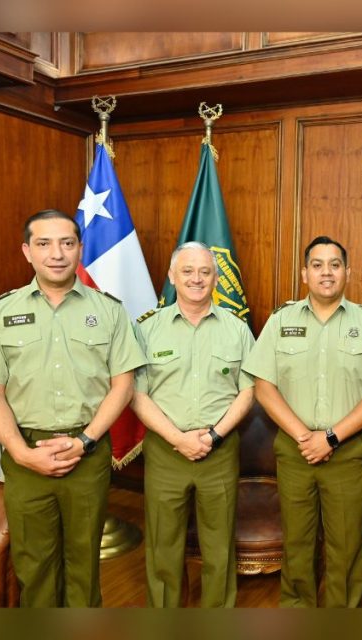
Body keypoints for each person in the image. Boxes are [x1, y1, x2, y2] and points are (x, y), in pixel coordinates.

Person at [0, 210, 145, 607]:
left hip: (88, 453)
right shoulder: (0, 313)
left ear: (79, 248)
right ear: (27, 251)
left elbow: (123, 384)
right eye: (44, 243)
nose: (56, 253)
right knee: (34, 566)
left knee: (84, 564)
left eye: (66, 243)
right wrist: (23, 452)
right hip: (25, 454)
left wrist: (84, 441)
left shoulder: (110, 311)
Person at [242, 236, 362, 607]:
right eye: (318, 265)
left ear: (348, 272)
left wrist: (330, 438)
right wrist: (305, 436)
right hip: (294, 452)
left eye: (335, 264)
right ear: (304, 273)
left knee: (346, 545)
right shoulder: (280, 322)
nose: (327, 272)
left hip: (347, 452)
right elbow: (263, 386)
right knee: (298, 542)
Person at [131, 242, 255, 607]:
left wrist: (213, 435)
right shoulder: (147, 330)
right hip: (165, 451)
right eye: (187, 271)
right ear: (172, 276)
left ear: (216, 278)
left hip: (219, 449)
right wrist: (177, 438)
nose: (196, 279)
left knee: (219, 546)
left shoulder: (237, 329)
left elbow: (249, 391)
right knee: (163, 544)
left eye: (204, 272)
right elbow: (136, 393)